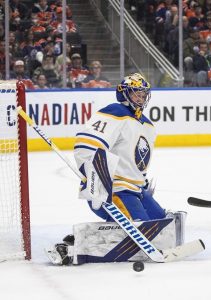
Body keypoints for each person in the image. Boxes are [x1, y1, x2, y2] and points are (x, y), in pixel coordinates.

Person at [45, 73, 186, 265]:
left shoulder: (147, 125)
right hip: (113, 190)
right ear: (124, 94)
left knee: (162, 227)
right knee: (143, 232)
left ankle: (85, 237)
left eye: (144, 95)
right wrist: (93, 176)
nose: (141, 98)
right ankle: (73, 249)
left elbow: (137, 160)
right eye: (137, 94)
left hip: (136, 191)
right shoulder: (115, 112)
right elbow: (87, 144)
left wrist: (142, 182)